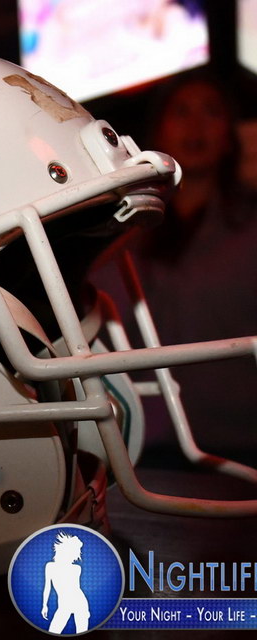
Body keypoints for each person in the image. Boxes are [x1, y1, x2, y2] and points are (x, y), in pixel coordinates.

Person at [92, 70, 257, 462]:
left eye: (211, 112)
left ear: (229, 135)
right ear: (158, 131)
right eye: (181, 112)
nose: (196, 126)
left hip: (239, 447)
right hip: (136, 449)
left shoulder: (251, 231)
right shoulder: (117, 233)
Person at [41, 531, 90, 634]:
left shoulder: (77, 568)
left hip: (80, 603)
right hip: (64, 605)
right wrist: (44, 605)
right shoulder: (50, 566)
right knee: (53, 631)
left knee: (82, 633)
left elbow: (76, 588)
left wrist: (85, 610)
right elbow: (47, 587)